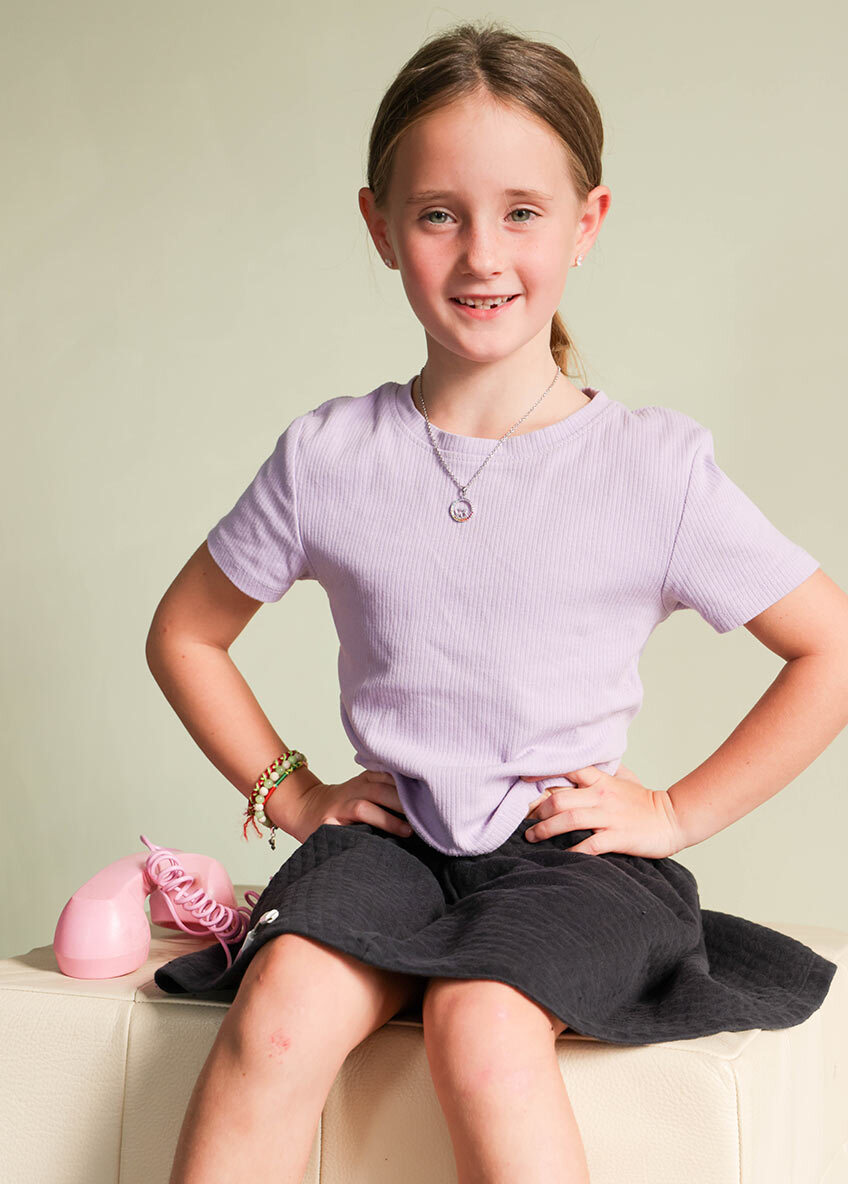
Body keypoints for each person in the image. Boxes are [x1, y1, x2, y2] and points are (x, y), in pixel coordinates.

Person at [146, 19, 846, 1184]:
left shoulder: (650, 467)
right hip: (390, 847)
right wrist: (296, 791)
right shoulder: (329, 457)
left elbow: (828, 646)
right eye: (438, 214)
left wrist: (674, 809)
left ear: (586, 222)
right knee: (276, 1016)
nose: (481, 255)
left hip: (567, 858)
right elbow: (186, 633)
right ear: (379, 225)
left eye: (521, 211)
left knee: (479, 1025)